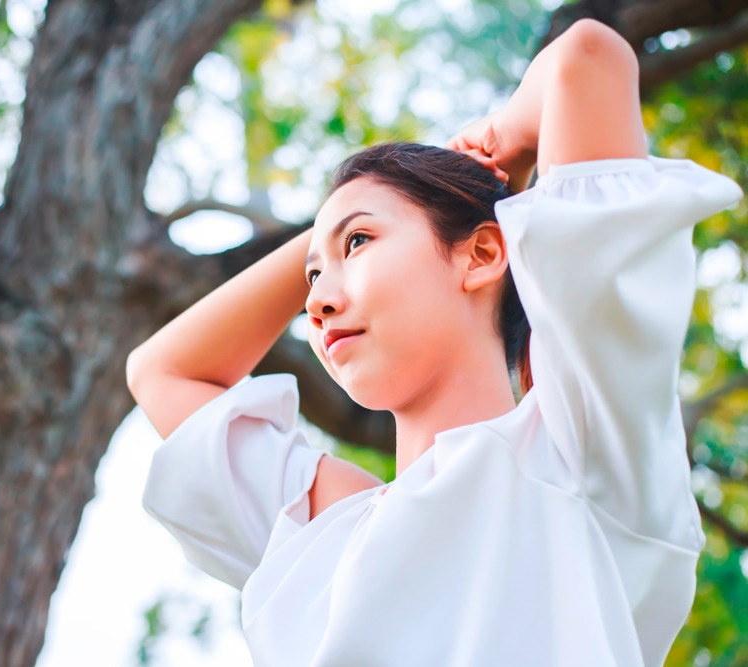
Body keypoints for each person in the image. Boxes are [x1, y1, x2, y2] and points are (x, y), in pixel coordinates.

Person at [126, 19, 742, 667]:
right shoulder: (324, 539)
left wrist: (499, 149)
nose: (315, 301)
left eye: (359, 243)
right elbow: (160, 371)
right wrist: (335, 222)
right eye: (311, 277)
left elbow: (587, 59)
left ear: (480, 252)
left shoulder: (581, 456)